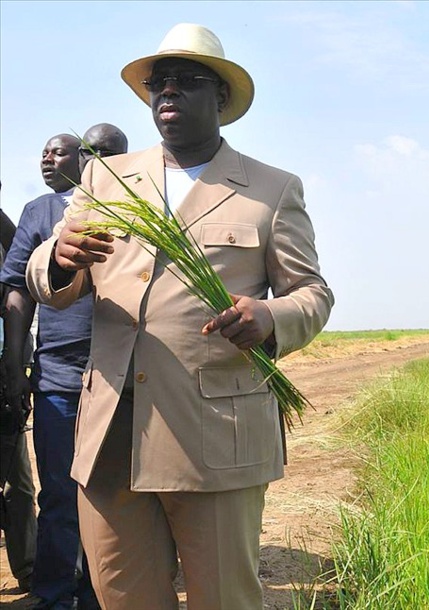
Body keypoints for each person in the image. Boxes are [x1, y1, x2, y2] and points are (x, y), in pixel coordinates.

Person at [25, 23, 334, 610]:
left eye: (186, 81)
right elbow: (53, 271)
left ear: (221, 98)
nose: (167, 91)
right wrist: (58, 258)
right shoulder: (107, 177)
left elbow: (312, 292)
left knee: (223, 597)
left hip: (214, 437)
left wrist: (270, 316)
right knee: (123, 595)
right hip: (112, 432)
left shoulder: (269, 189)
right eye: (157, 82)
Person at [1, 127, 127, 609]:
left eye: (61, 152)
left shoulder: (142, 211)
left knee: (115, 498)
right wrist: (17, 366)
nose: (48, 160)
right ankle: (54, 595)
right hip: (58, 379)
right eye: (44, 152)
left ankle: (103, 595)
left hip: (123, 380)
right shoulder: (41, 213)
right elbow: (17, 289)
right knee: (57, 496)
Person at [0, 201, 37, 595]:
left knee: (19, 485)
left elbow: (16, 252)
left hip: (5, 379)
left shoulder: (8, 244)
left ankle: (28, 567)